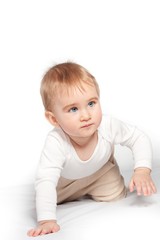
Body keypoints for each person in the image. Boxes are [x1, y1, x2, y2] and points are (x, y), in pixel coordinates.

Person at [28, 62, 157, 237]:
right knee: (46, 197)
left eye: (91, 103)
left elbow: (138, 138)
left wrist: (142, 169)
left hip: (101, 173)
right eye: (73, 109)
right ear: (54, 119)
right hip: (64, 184)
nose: (86, 115)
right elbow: (46, 180)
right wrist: (46, 220)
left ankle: (101, 187)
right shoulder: (56, 142)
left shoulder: (107, 125)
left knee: (118, 197)